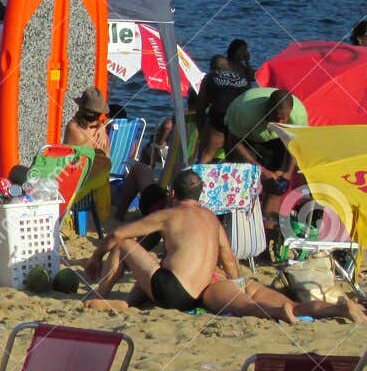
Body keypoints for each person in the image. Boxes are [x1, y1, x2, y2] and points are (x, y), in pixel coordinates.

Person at [86, 169, 364, 322]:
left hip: (176, 291)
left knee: (125, 245)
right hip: (211, 285)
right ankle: (337, 309)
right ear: (201, 194)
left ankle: (97, 295)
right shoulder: (210, 218)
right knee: (285, 304)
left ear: (172, 193)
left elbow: (117, 235)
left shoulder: (168, 214)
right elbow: (228, 257)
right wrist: (239, 281)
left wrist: (96, 257)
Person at [195, 44, 257, 163]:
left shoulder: (210, 76)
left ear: (213, 68)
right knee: (237, 154)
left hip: (221, 114)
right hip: (242, 115)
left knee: (208, 152)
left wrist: (201, 129)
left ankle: (196, 178)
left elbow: (201, 105)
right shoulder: (243, 76)